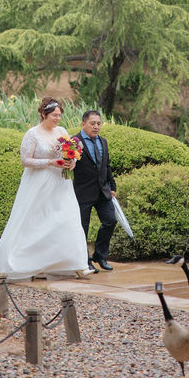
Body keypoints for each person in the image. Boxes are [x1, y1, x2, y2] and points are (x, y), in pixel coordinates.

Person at [0, 98, 94, 281]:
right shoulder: (32, 134)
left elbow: (69, 154)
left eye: (59, 115)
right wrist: (50, 162)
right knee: (35, 223)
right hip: (39, 183)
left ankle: (73, 264)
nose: (57, 118)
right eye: (54, 115)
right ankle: (25, 263)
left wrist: (70, 162)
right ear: (43, 114)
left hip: (61, 184)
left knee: (67, 219)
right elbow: (25, 160)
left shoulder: (62, 132)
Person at [72, 110, 117, 272]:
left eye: (98, 123)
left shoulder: (103, 141)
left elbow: (107, 165)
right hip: (83, 191)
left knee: (110, 220)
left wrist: (112, 186)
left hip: (103, 191)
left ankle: (100, 255)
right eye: (92, 123)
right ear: (83, 124)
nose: (96, 127)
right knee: (82, 228)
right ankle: (85, 261)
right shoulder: (73, 142)